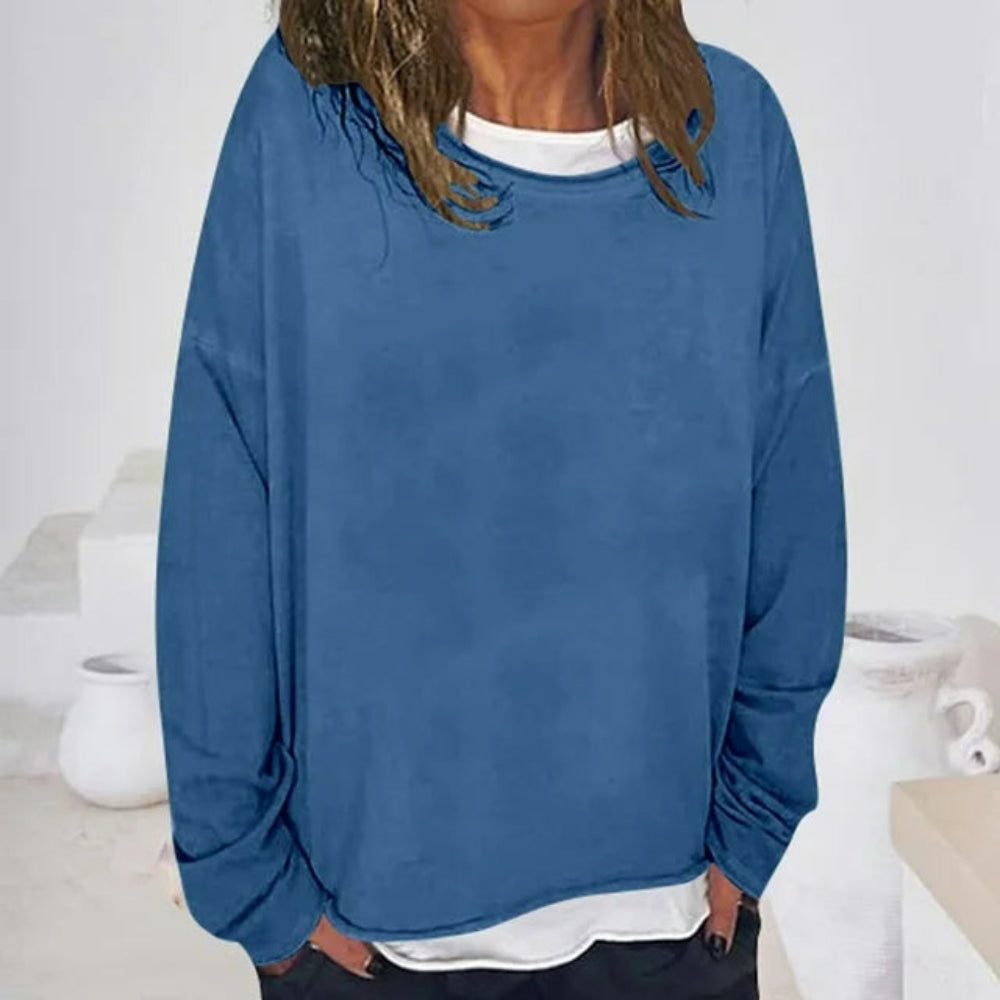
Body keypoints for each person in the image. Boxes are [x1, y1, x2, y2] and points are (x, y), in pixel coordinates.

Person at [154, 1, 848, 997]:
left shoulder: (731, 135)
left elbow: (793, 501)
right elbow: (220, 506)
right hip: (373, 939)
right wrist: (250, 885)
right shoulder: (306, 119)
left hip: (667, 915)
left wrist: (753, 818)